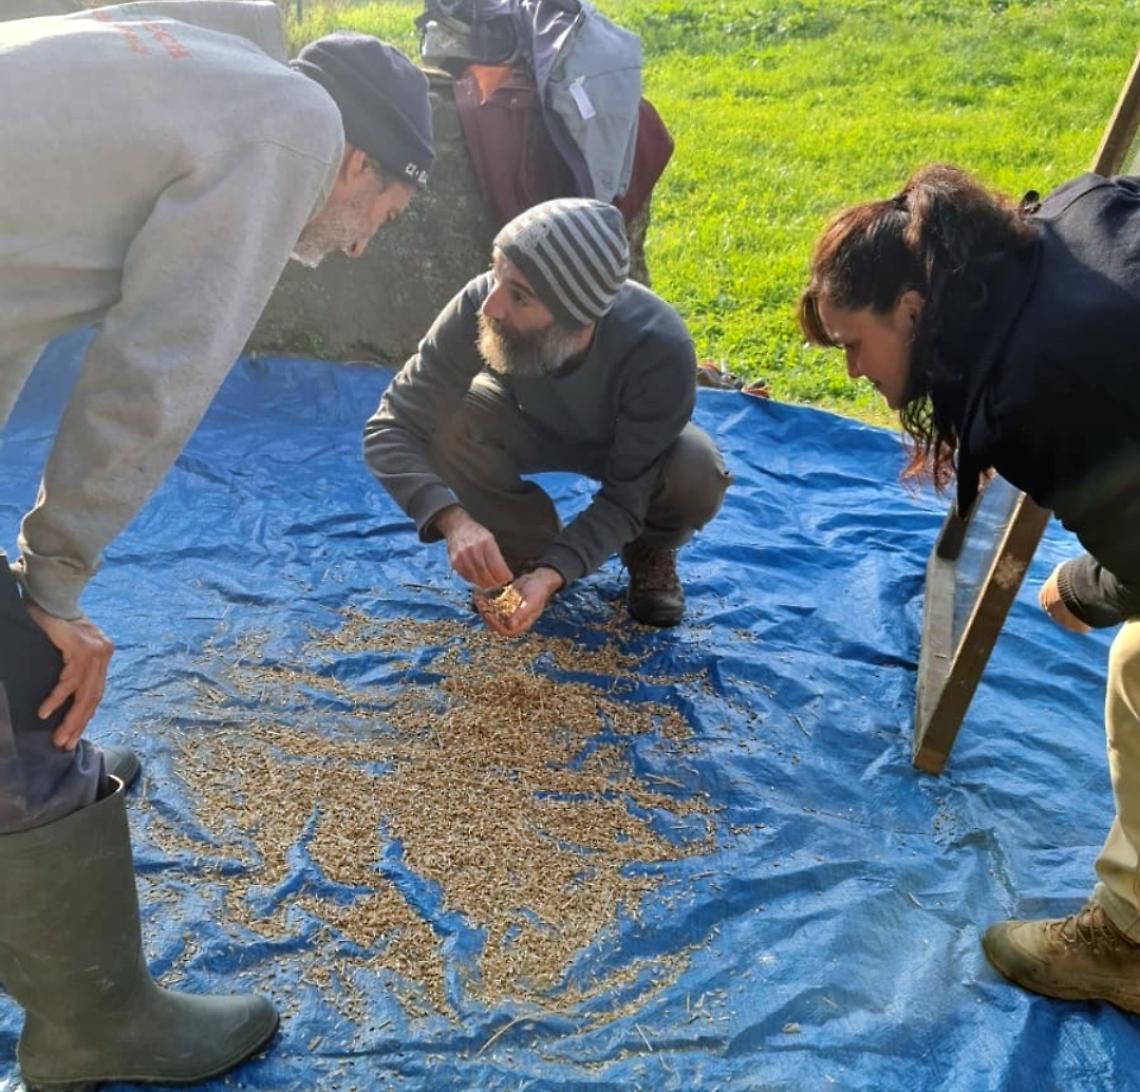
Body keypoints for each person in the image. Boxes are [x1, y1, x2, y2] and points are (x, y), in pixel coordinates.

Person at [0, 4, 434, 1087]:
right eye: (385, 207)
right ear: (359, 159)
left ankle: (41, 794)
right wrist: (51, 579)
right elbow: (156, 369)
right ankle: (93, 1017)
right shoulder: (291, 123)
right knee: (21, 674)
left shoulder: (195, 64)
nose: (365, 239)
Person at [799, 163, 1140, 1012]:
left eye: (852, 345)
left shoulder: (1029, 392)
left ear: (912, 310)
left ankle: (1127, 945)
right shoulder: (1069, 211)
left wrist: (1081, 587)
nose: (849, 372)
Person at [363, 197, 731, 636]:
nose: (491, 306)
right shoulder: (481, 302)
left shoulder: (660, 349)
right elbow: (391, 425)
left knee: (695, 469)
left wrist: (555, 575)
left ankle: (651, 549)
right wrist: (453, 520)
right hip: (520, 420)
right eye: (496, 273)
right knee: (450, 424)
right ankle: (524, 545)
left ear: (576, 321)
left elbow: (625, 497)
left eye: (519, 296)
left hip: (620, 444)